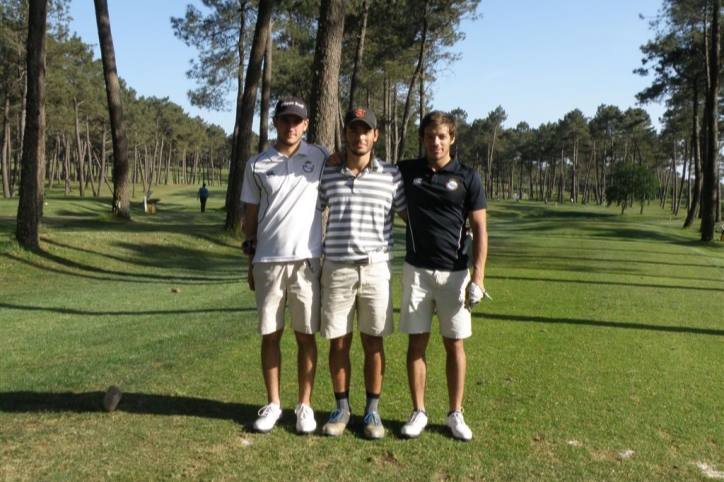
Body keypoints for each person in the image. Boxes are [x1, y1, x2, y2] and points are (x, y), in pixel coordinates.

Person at [397, 111, 489, 441]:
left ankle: (455, 413)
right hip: (416, 271)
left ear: (452, 138)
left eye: (441, 136)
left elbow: (480, 229)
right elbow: (368, 167)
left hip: (455, 275)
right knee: (416, 342)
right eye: (429, 136)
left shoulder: (468, 177)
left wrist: (478, 278)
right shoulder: (407, 171)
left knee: (455, 345)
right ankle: (419, 411)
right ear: (422, 139)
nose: (435, 142)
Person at [240, 96, 328, 435]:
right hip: (267, 261)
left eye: (297, 121)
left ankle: (304, 405)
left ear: (305, 125)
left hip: (306, 261)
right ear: (275, 123)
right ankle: (274, 403)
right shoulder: (257, 164)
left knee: (306, 336)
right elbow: (250, 220)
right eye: (284, 120)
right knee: (270, 335)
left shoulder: (319, 156)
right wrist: (250, 262)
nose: (290, 126)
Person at [317, 108, 406, 439]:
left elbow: (411, 217)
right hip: (337, 268)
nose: (359, 137)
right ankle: (341, 408)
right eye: (353, 131)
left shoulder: (391, 175)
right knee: (339, 342)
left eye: (365, 131)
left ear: (376, 135)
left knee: (373, 341)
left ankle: (372, 412)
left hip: (375, 270)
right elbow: (309, 211)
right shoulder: (327, 174)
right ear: (345, 134)